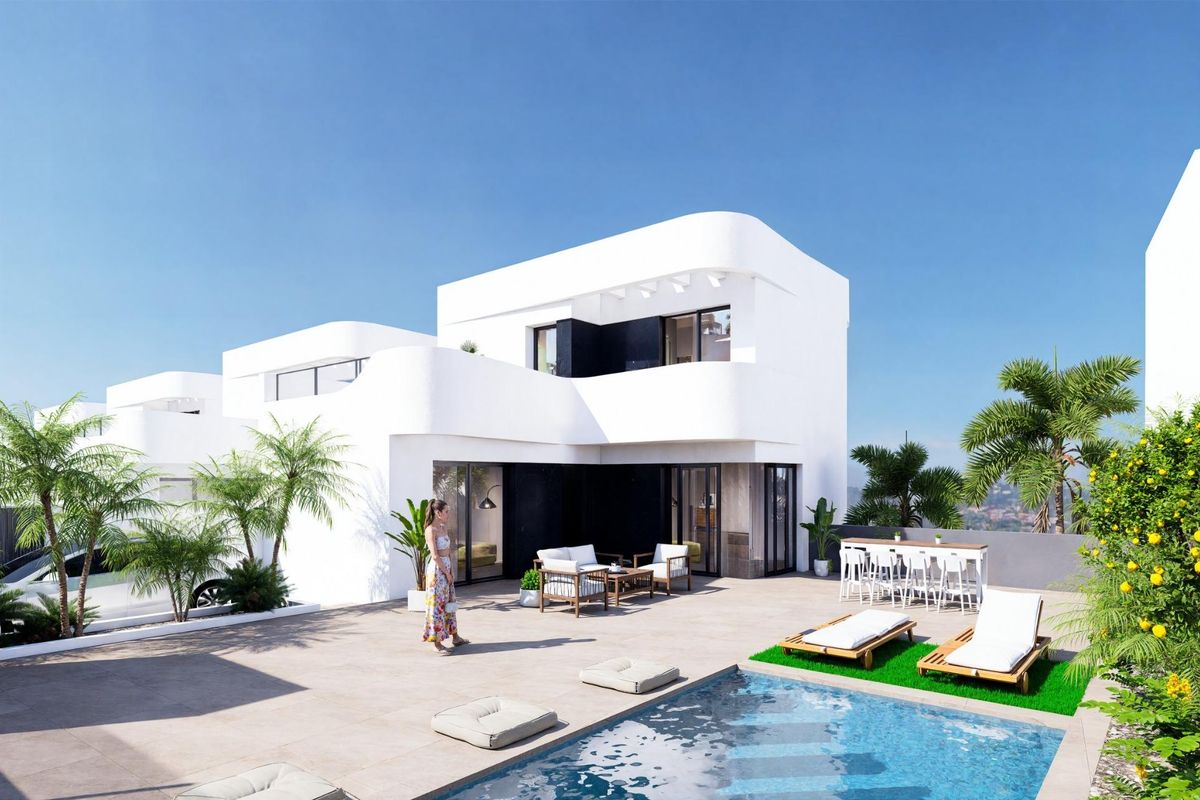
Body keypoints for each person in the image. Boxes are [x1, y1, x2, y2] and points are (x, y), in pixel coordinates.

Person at [423, 499, 469, 654]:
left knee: (450, 602)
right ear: (438, 512)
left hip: (447, 567)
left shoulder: (443, 527)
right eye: (446, 511)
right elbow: (435, 556)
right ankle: (436, 643)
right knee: (437, 605)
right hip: (437, 571)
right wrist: (446, 572)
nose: (448, 514)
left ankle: (455, 637)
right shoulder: (431, 530)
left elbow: (448, 550)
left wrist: (451, 570)